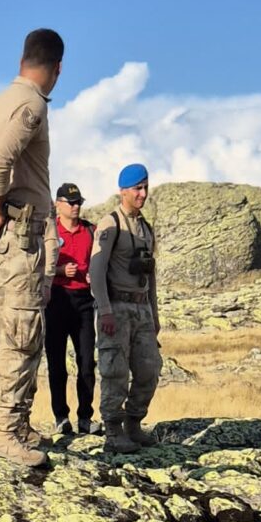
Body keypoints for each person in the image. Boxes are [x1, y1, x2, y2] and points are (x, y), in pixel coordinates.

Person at [0, 28, 63, 470]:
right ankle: (4, 431)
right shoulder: (32, 104)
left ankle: (18, 421)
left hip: (3, 241)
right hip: (19, 235)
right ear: (57, 68)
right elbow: (1, 161)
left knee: (17, 331)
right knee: (21, 335)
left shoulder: (3, 99)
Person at [92, 165, 161, 450]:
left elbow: (151, 275)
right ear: (123, 191)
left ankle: (134, 423)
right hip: (116, 308)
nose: (143, 194)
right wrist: (105, 309)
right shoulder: (110, 224)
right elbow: (96, 270)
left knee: (150, 369)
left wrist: (154, 315)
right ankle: (113, 430)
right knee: (115, 371)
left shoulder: (146, 229)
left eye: (145, 187)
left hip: (141, 308)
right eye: (137, 188)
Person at [44, 182, 96, 439]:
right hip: (56, 300)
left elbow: (101, 263)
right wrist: (60, 272)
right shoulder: (49, 232)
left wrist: (94, 278)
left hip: (85, 302)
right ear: (58, 204)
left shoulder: (90, 231)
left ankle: (85, 417)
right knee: (57, 364)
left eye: (78, 203)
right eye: (71, 202)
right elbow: (38, 267)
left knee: (86, 362)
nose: (76, 207)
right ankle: (61, 417)